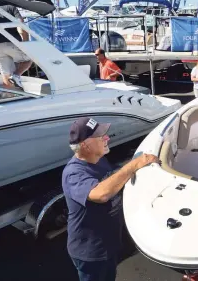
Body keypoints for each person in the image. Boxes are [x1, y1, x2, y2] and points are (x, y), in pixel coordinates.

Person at [62, 117, 159, 281]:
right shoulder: (73, 173)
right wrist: (133, 165)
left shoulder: (99, 159)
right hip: (90, 252)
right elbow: (101, 194)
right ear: (85, 145)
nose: (107, 138)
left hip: (108, 245)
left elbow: (114, 178)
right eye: (101, 137)